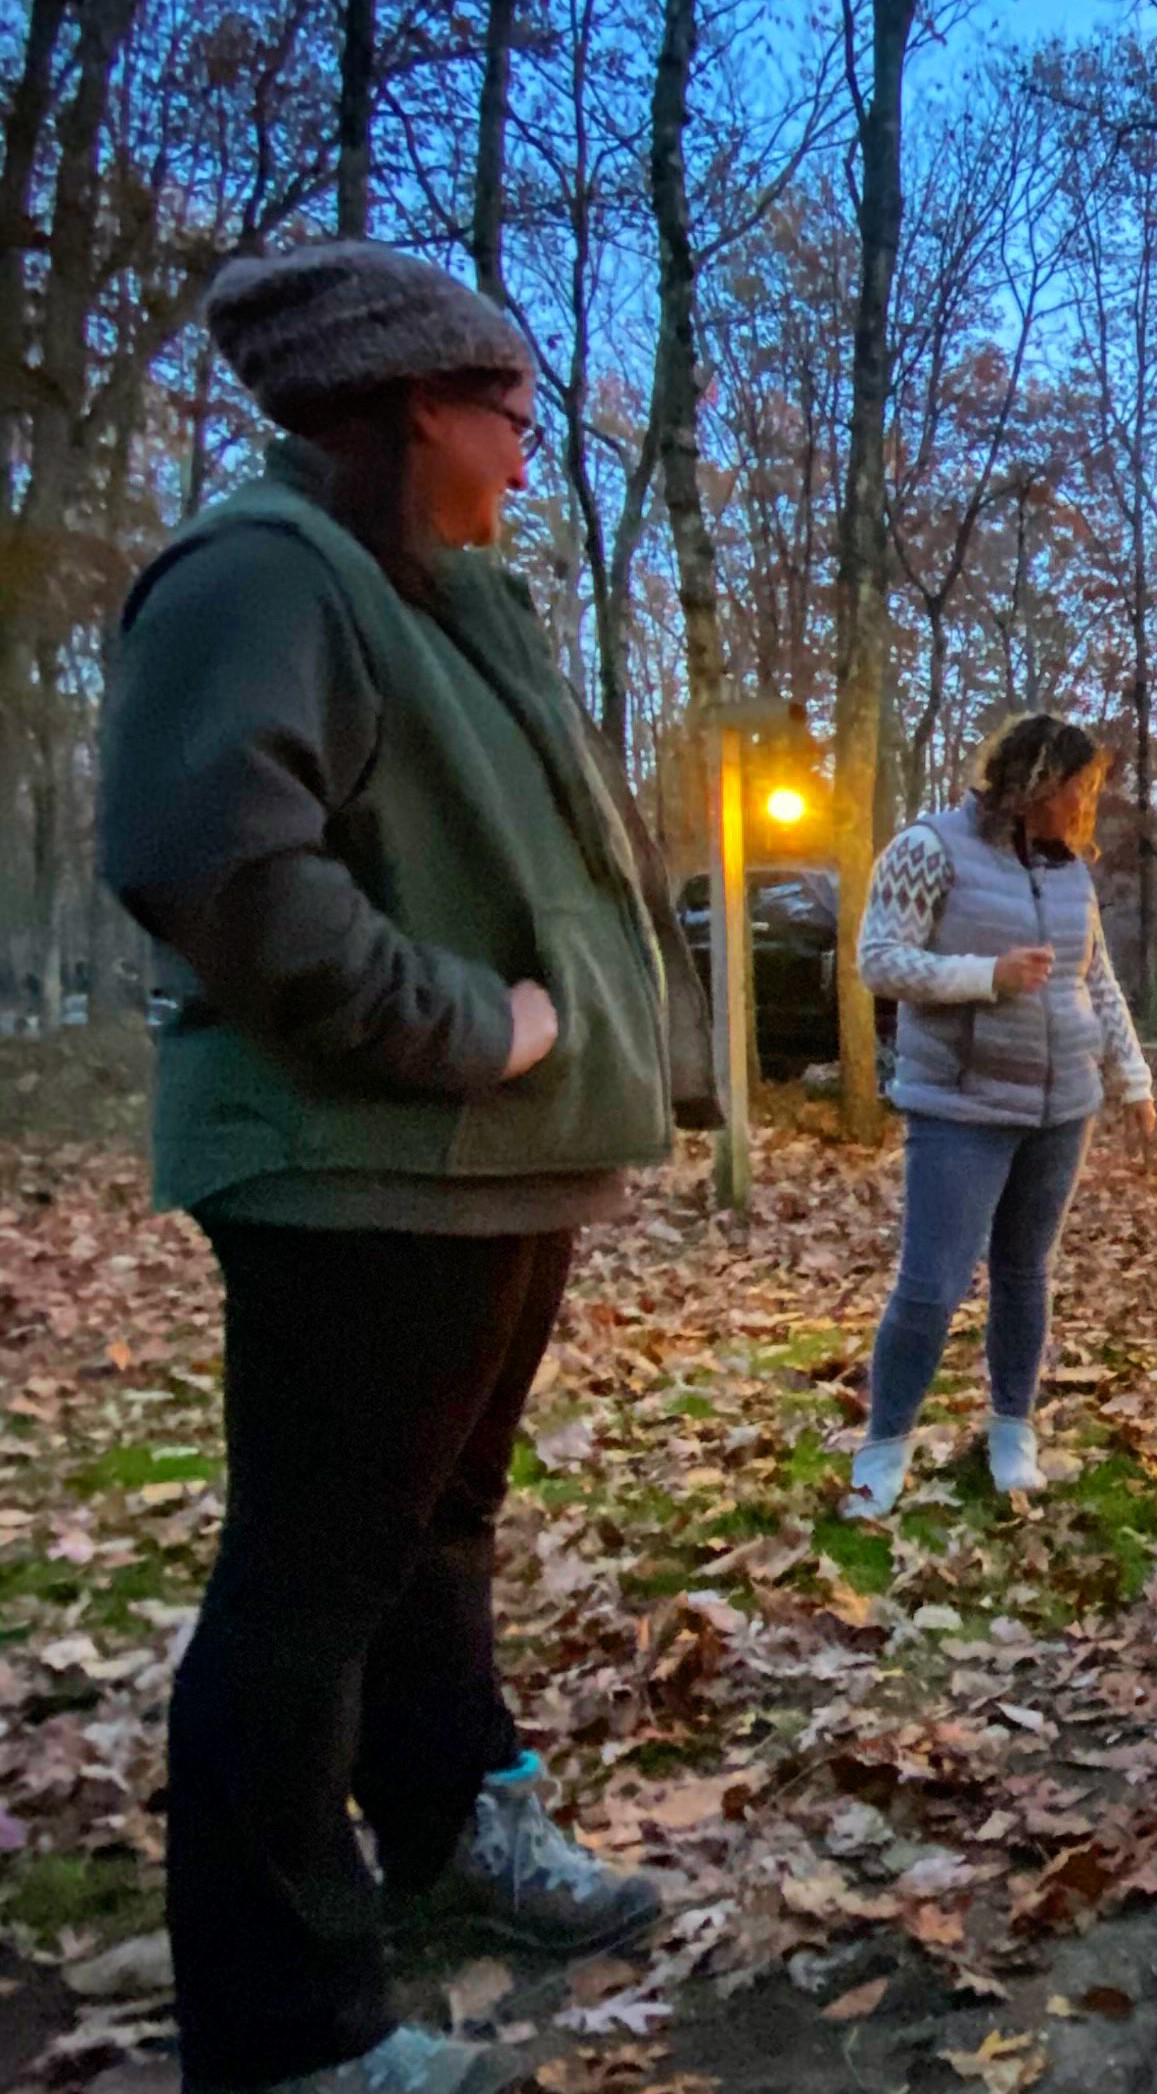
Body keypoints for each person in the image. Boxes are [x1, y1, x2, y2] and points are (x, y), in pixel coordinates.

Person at [99, 243, 714, 2094]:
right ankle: (286, 2033)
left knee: (434, 1533)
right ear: (402, 404)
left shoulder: (437, 593)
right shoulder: (257, 577)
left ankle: (450, 1837)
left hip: (481, 1176)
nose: (531, 444)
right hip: (359, 1167)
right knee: (307, 1585)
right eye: (508, 407)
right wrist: (480, 1026)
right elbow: (222, 871)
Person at [847, 714, 1155, 1516]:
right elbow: (879, 961)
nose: (1088, 802)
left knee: (1026, 1275)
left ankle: (1012, 1430)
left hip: (1063, 1107)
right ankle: (883, 1449)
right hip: (961, 1105)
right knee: (932, 1285)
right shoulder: (928, 849)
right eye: (1078, 787)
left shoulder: (1070, 872)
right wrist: (987, 974)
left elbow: (1098, 979)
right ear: (1035, 785)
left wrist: (1133, 1075)